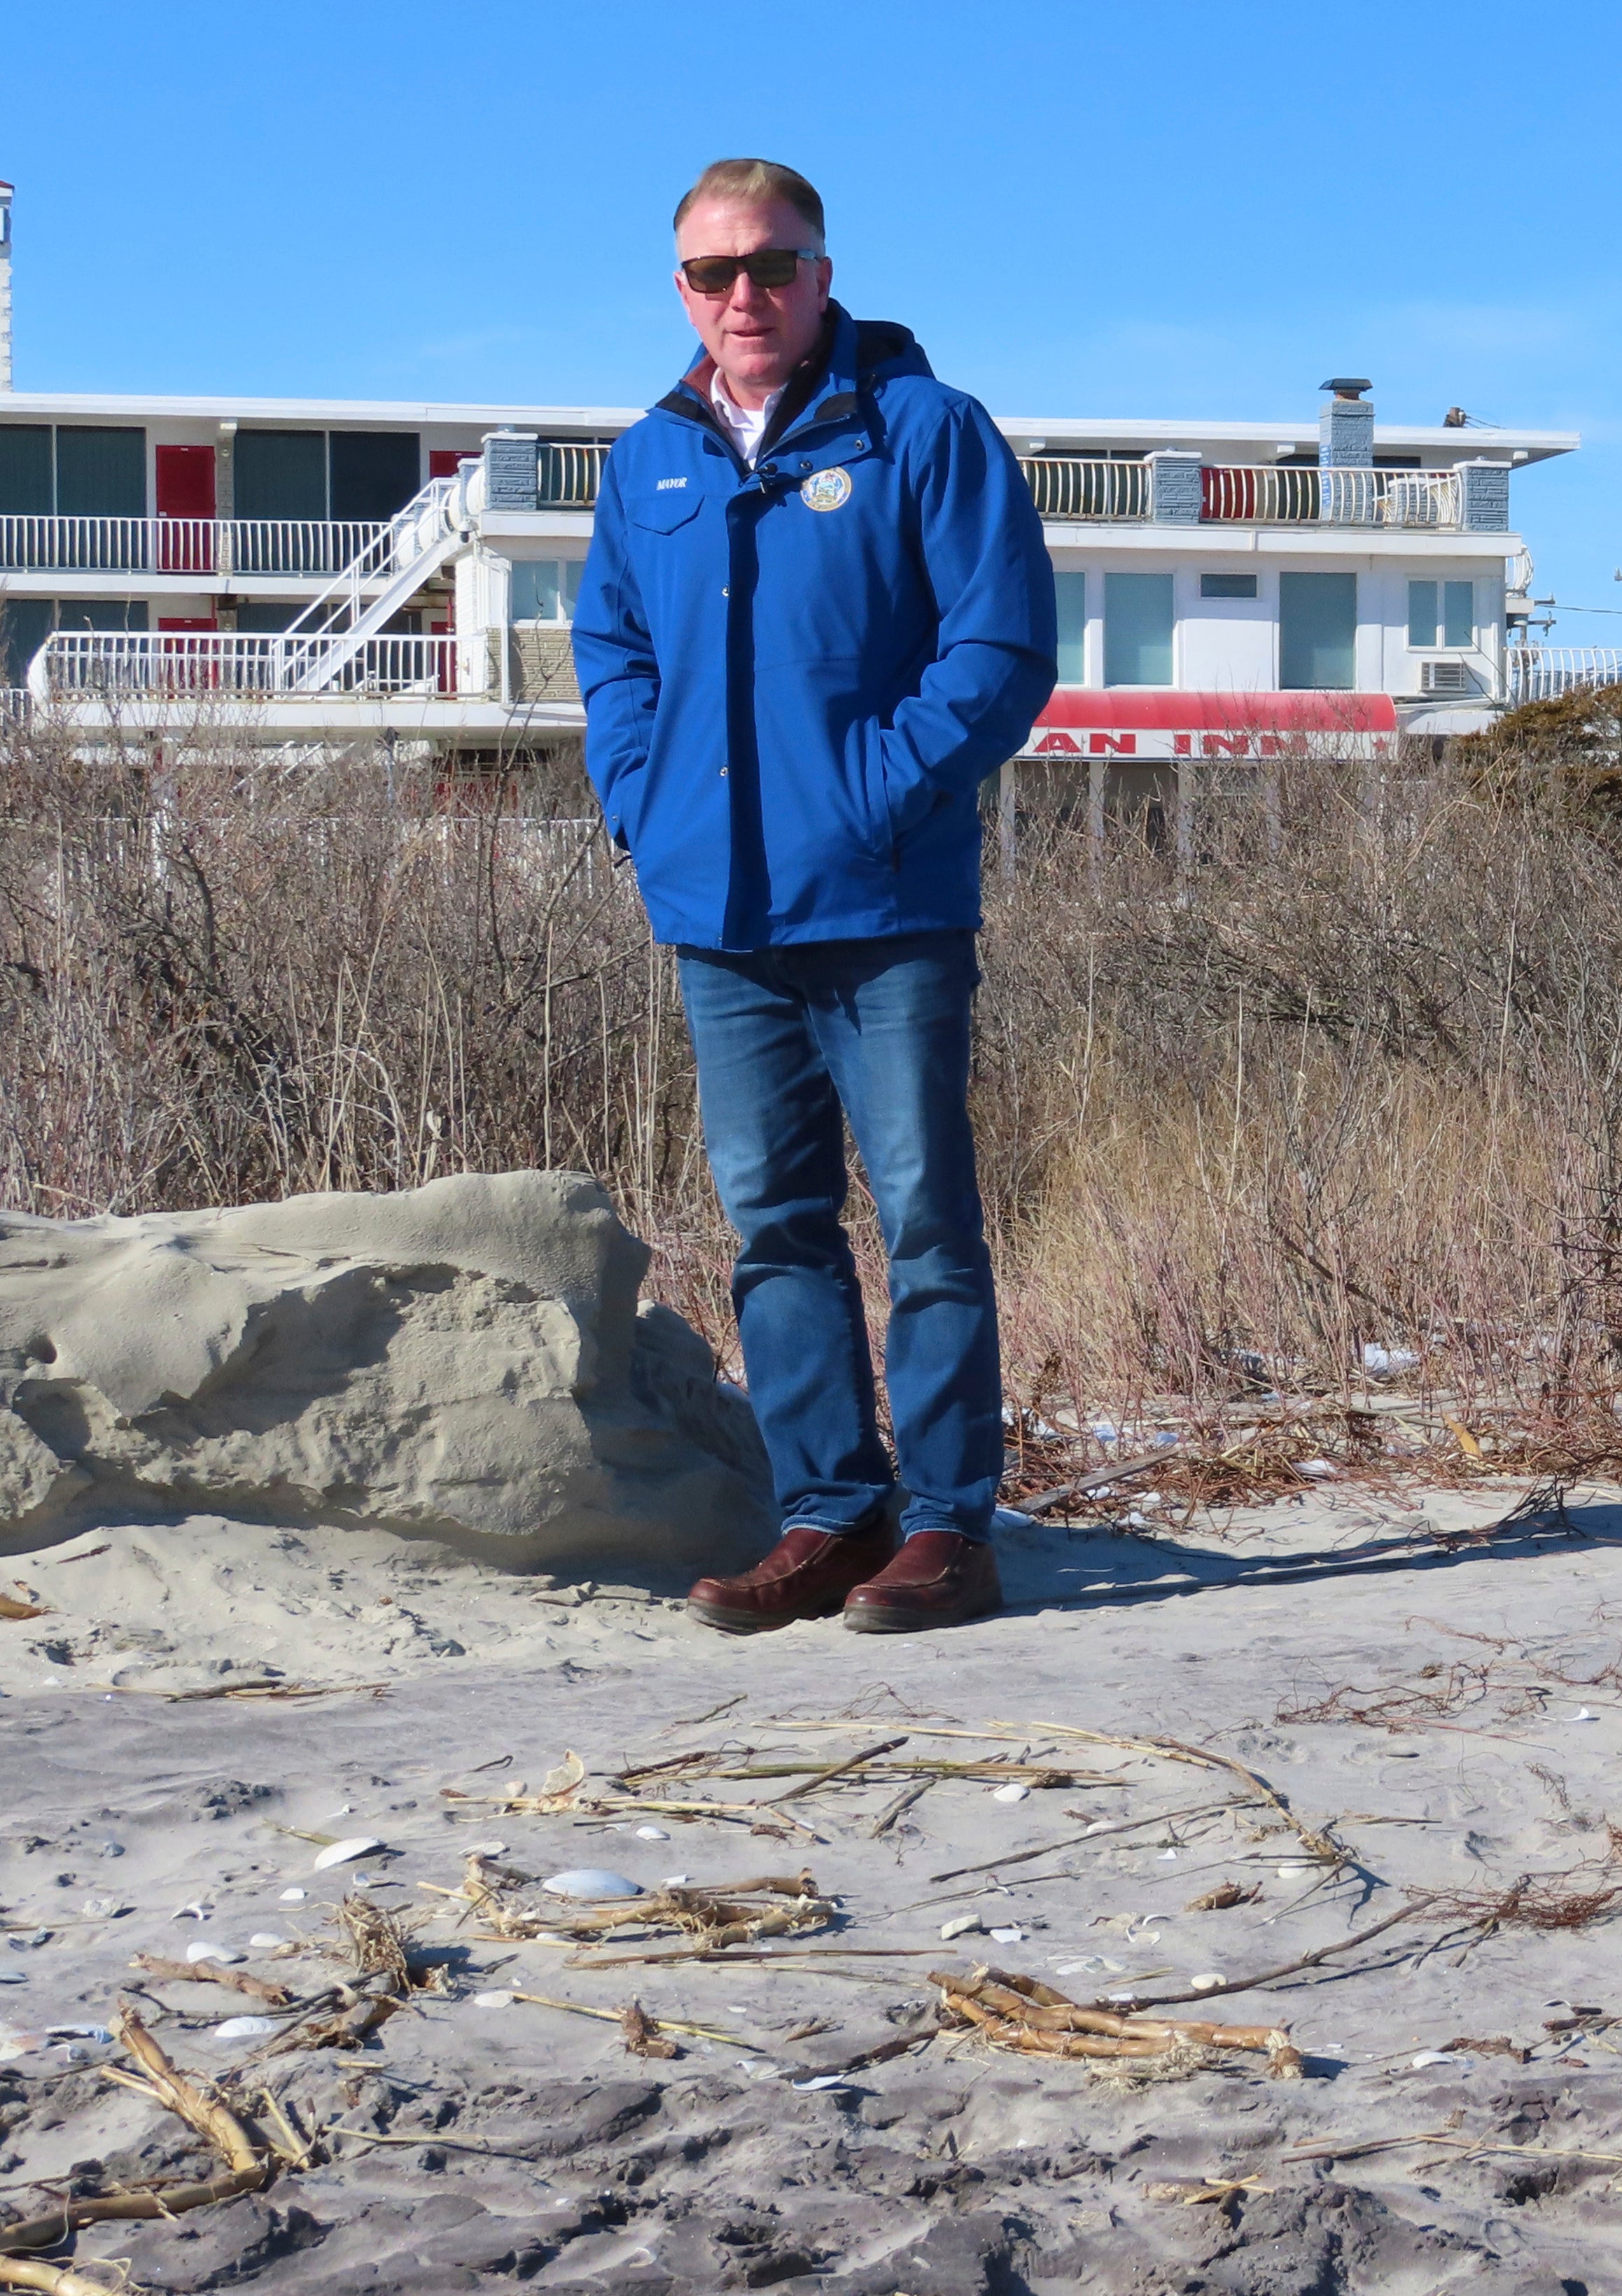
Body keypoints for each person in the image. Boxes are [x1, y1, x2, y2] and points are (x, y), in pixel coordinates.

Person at [573, 158, 1056, 1634]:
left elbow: (997, 653)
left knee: (924, 1219)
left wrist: (874, 795)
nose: (745, 296)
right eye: (714, 273)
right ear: (681, 292)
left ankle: (949, 1527)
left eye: (772, 265)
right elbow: (615, 659)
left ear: (823, 272)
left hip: (888, 904)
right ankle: (829, 1512)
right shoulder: (649, 459)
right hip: (718, 917)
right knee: (776, 1222)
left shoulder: (924, 431)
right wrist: (647, 812)